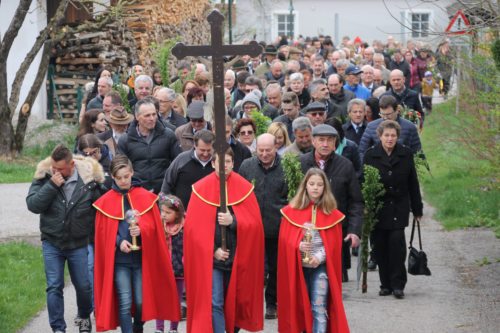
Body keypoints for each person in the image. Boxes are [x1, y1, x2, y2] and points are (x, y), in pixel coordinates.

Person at [93, 155, 181, 332]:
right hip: (120, 261)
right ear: (113, 177)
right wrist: (119, 242)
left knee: (140, 301)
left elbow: (155, 228)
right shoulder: (105, 202)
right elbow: (104, 234)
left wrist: (142, 230)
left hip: (141, 259)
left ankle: (137, 327)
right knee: (125, 302)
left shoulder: (146, 198)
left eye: (126, 176)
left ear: (132, 172)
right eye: (119, 178)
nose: (124, 181)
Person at [183, 148, 265, 333]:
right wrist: (213, 250)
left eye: (227, 162)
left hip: (237, 258)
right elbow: (194, 230)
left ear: (233, 163)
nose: (223, 166)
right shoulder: (200, 189)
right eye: (219, 162)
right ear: (212, 164)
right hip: (213, 260)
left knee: (235, 301)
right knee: (216, 302)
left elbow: (255, 225)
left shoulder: (244, 188)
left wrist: (233, 221)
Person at [26, 144, 106, 333]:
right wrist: (52, 185)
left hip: (78, 243)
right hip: (52, 242)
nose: (56, 171)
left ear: (71, 165)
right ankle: (58, 328)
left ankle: (84, 317)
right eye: (54, 167)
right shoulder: (44, 177)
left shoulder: (89, 181)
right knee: (54, 286)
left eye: (60, 168)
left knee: (84, 287)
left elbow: (103, 208)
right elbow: (33, 205)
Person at [277, 168, 350, 333]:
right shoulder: (291, 211)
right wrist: (298, 245)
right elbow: (285, 240)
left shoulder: (332, 214)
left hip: (320, 268)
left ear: (325, 188)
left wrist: (320, 256)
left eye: (319, 184)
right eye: (311, 184)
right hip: (298, 268)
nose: (315, 188)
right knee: (299, 308)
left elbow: (334, 245)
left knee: (318, 307)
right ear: (305, 186)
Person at [363, 120, 423, 299]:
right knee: (379, 247)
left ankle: (398, 284)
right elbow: (364, 181)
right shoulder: (371, 155)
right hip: (378, 209)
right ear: (380, 136)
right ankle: (385, 284)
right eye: (386, 135)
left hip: (398, 206)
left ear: (398, 137)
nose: (390, 139)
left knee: (397, 245)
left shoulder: (405, 153)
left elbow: (413, 183)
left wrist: (417, 208)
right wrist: (365, 206)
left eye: (393, 135)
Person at [300, 124, 363, 282]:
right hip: (307, 232)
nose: (325, 144)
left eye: (330, 140)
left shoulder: (345, 165)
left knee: (332, 280)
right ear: (313, 141)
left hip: (335, 231)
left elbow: (356, 201)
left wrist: (354, 230)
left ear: (336, 143)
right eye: (321, 140)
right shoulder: (300, 163)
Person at [239, 134, 289, 320]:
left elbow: (292, 197)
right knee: (254, 269)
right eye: (261, 150)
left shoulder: (287, 167)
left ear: (276, 148)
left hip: (278, 228)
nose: (265, 154)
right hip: (253, 228)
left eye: (268, 150)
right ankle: (251, 304)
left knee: (276, 269)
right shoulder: (247, 166)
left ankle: (272, 303)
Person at [118, 98, 181, 193]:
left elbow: (178, 163)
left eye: (154, 114)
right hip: (137, 192)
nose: (152, 118)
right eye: (147, 115)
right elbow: (121, 167)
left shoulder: (168, 135)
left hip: (163, 191)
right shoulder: (125, 140)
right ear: (137, 117)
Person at [161, 130, 215, 208]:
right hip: (183, 216)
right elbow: (167, 186)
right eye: (202, 150)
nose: (205, 154)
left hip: (210, 213)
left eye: (209, 150)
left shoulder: (219, 163)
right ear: (195, 146)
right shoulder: (181, 160)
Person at [155, 194, 186, 333]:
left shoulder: (184, 227)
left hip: (179, 270)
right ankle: (159, 328)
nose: (164, 215)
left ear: (177, 213)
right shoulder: (159, 226)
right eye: (162, 211)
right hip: (162, 270)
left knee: (176, 300)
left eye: (168, 212)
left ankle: (173, 328)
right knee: (160, 300)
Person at [358, 95, 421, 160]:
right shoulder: (371, 127)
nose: (385, 118)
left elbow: (417, 152)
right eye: (382, 114)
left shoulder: (409, 127)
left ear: (397, 110)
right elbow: (362, 151)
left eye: (388, 114)